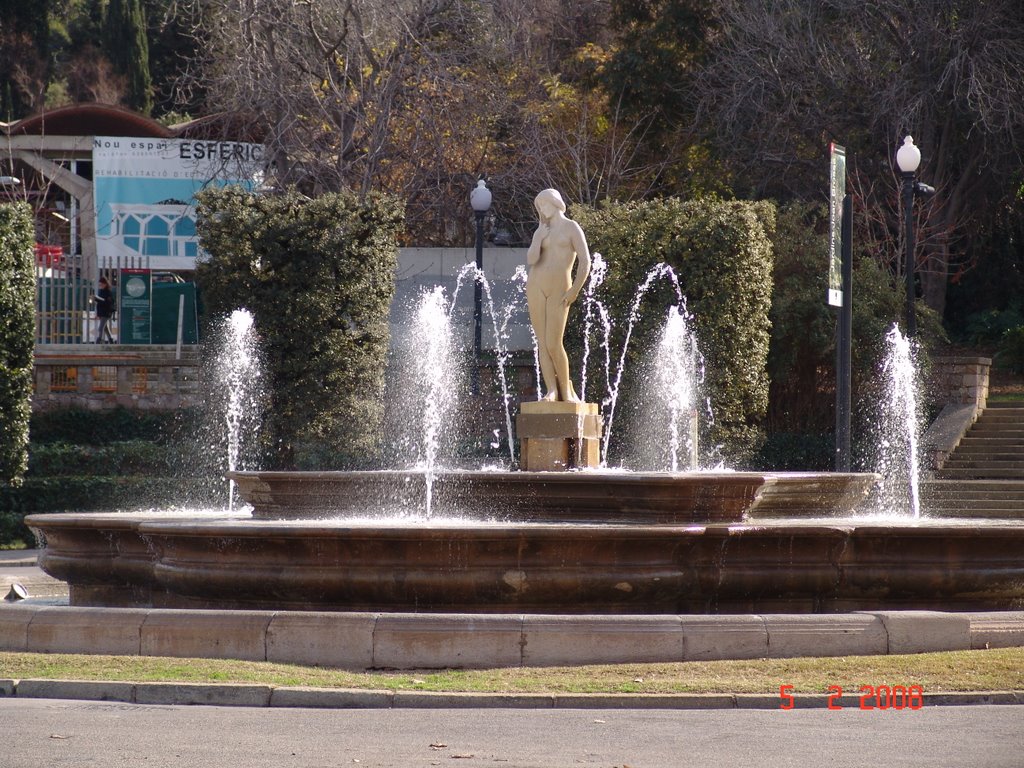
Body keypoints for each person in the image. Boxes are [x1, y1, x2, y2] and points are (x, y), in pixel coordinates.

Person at [525, 189, 593, 402]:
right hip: (536, 285)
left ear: (556, 203)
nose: (542, 209)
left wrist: (575, 289)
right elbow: (531, 259)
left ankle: (566, 391)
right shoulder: (541, 230)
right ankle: (551, 390)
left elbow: (585, 261)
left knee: (554, 342)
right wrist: (538, 239)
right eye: (540, 206)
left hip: (560, 288)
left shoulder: (571, 227)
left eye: (545, 204)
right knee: (542, 342)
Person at [94, 276, 115, 343]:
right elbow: (100, 303)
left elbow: (108, 302)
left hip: (106, 312)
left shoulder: (108, 292)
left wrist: (98, 299)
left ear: (105, 284)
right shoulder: (101, 291)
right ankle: (111, 339)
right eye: (100, 284)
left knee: (101, 327)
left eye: (101, 284)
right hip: (102, 312)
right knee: (105, 327)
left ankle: (98, 340)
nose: (100, 286)